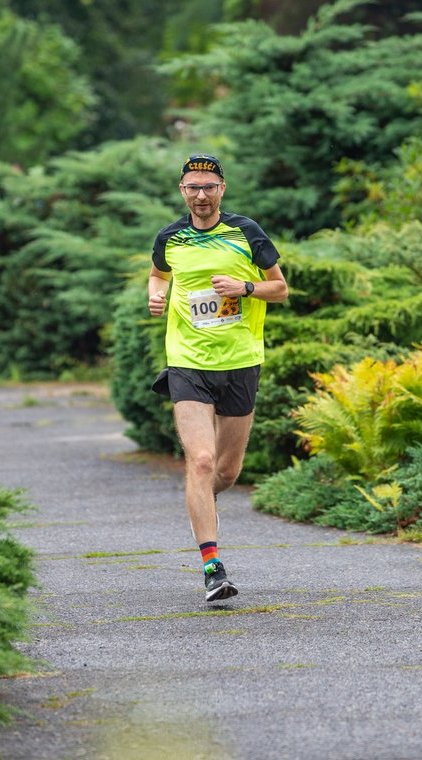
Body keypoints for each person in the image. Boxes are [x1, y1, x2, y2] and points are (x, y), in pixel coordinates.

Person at [147, 154, 288, 603]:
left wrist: (245, 288)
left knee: (225, 472)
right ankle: (212, 566)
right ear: (182, 191)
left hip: (240, 361)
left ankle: (200, 502)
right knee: (201, 462)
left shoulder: (246, 232)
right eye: (193, 187)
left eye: (208, 187)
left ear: (221, 189)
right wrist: (157, 295)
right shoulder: (169, 238)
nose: (201, 195)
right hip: (187, 361)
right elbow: (156, 275)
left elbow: (280, 289)